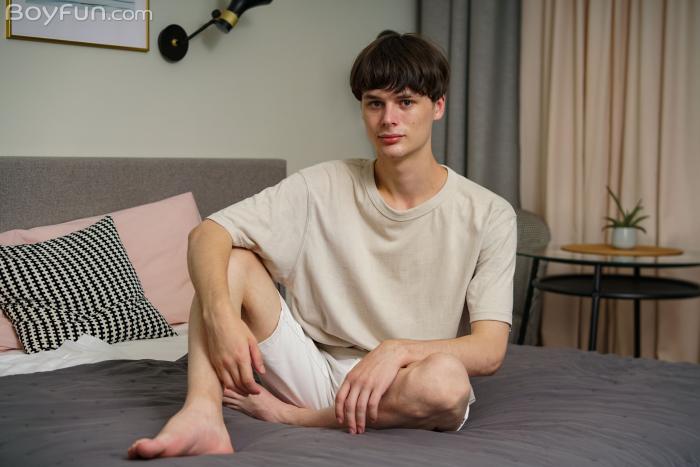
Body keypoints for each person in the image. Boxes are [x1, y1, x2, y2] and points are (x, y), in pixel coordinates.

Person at [127, 31, 516, 459]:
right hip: (308, 367)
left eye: (405, 102)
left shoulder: (489, 213)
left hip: (404, 380)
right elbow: (207, 234)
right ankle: (201, 412)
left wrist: (397, 350)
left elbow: (490, 350)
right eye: (374, 103)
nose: (388, 119)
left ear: (437, 106)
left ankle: (296, 418)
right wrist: (221, 317)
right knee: (231, 259)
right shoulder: (321, 185)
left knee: (446, 383)